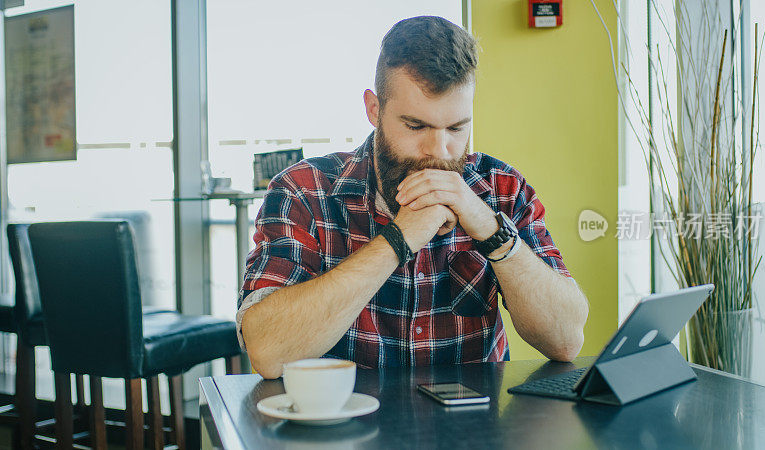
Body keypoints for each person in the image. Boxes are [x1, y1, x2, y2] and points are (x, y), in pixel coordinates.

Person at [238, 16, 588, 379]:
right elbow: (268, 351)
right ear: (374, 109)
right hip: (343, 426)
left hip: (475, 429)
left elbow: (565, 341)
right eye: (416, 126)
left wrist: (489, 227)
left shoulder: (502, 188)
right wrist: (398, 238)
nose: (436, 150)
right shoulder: (304, 190)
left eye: (455, 128)